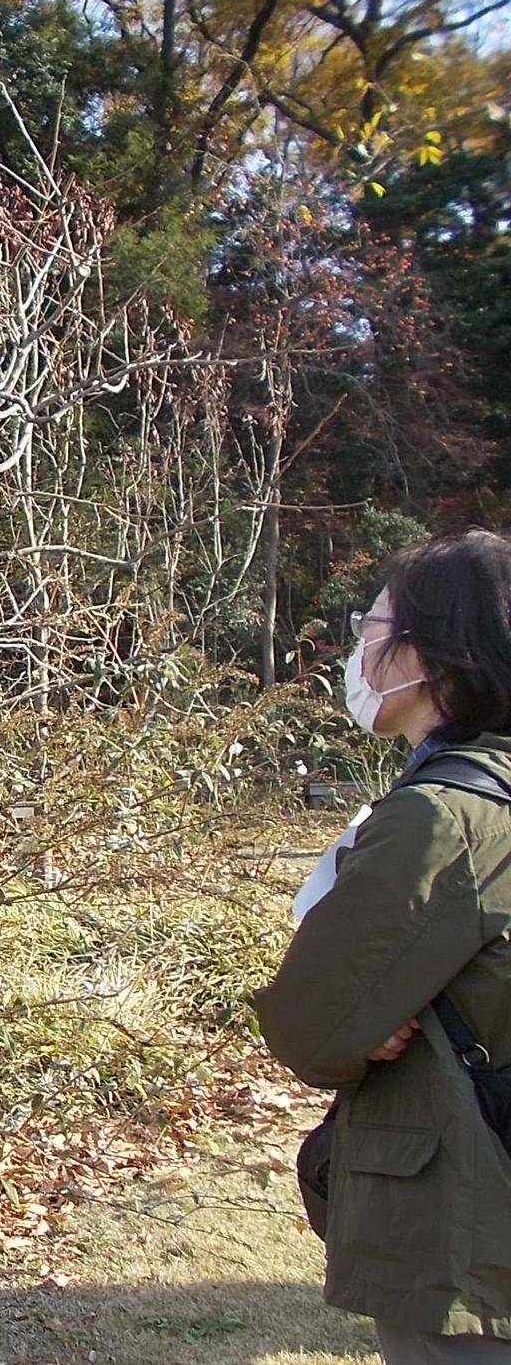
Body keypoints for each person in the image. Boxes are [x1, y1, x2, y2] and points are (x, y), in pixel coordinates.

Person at [258, 529, 511, 1364]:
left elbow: (312, 1025)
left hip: (461, 1240)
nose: (361, 643)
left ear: (434, 653)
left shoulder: (440, 820)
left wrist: (369, 1023)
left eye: (377, 622)